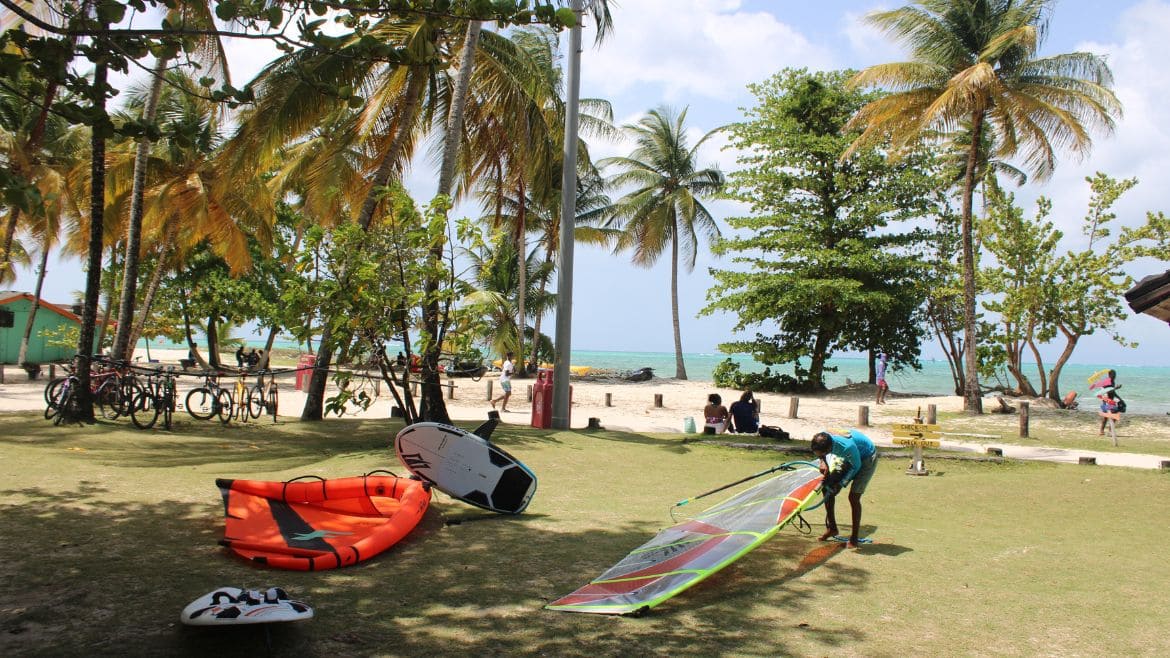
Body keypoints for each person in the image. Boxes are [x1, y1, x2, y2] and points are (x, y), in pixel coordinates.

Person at [810, 429, 878, 548]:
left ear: (829, 449)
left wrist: (841, 484)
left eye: (822, 454)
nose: (820, 456)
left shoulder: (847, 447)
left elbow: (855, 467)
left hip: (866, 458)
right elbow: (823, 456)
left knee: (853, 497)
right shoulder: (822, 437)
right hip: (847, 456)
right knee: (827, 487)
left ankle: (854, 538)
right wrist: (823, 462)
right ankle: (832, 528)